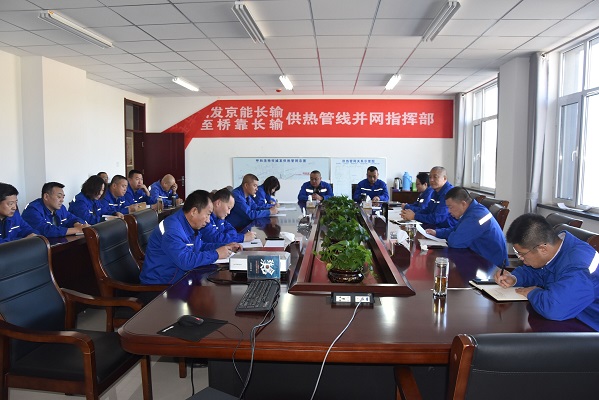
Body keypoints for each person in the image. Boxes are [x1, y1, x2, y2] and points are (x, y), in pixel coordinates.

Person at [495, 213, 599, 331]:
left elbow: (555, 308)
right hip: (571, 317)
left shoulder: (580, 265)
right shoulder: (556, 249)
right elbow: (536, 272)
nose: (521, 259)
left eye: (522, 254)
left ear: (542, 249)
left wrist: (533, 292)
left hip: (590, 327)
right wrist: (514, 278)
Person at [140, 190, 240, 285]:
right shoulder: (173, 230)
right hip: (161, 287)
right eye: (208, 214)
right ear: (194, 211)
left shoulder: (189, 223)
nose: (209, 220)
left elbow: (200, 247)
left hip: (181, 280)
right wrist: (216, 254)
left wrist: (225, 246)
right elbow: (185, 261)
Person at [426, 187, 508, 267]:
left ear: (463, 203)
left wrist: (454, 234)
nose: (449, 211)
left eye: (450, 207)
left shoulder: (476, 216)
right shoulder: (472, 210)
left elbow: (455, 242)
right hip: (477, 255)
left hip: (490, 264)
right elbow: (456, 229)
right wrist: (437, 232)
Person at [22, 182, 89, 237]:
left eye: (63, 197)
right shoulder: (32, 210)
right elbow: (46, 230)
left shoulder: (61, 208)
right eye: (59, 197)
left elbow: (72, 218)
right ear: (46, 197)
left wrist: (77, 224)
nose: (62, 200)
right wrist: (77, 230)